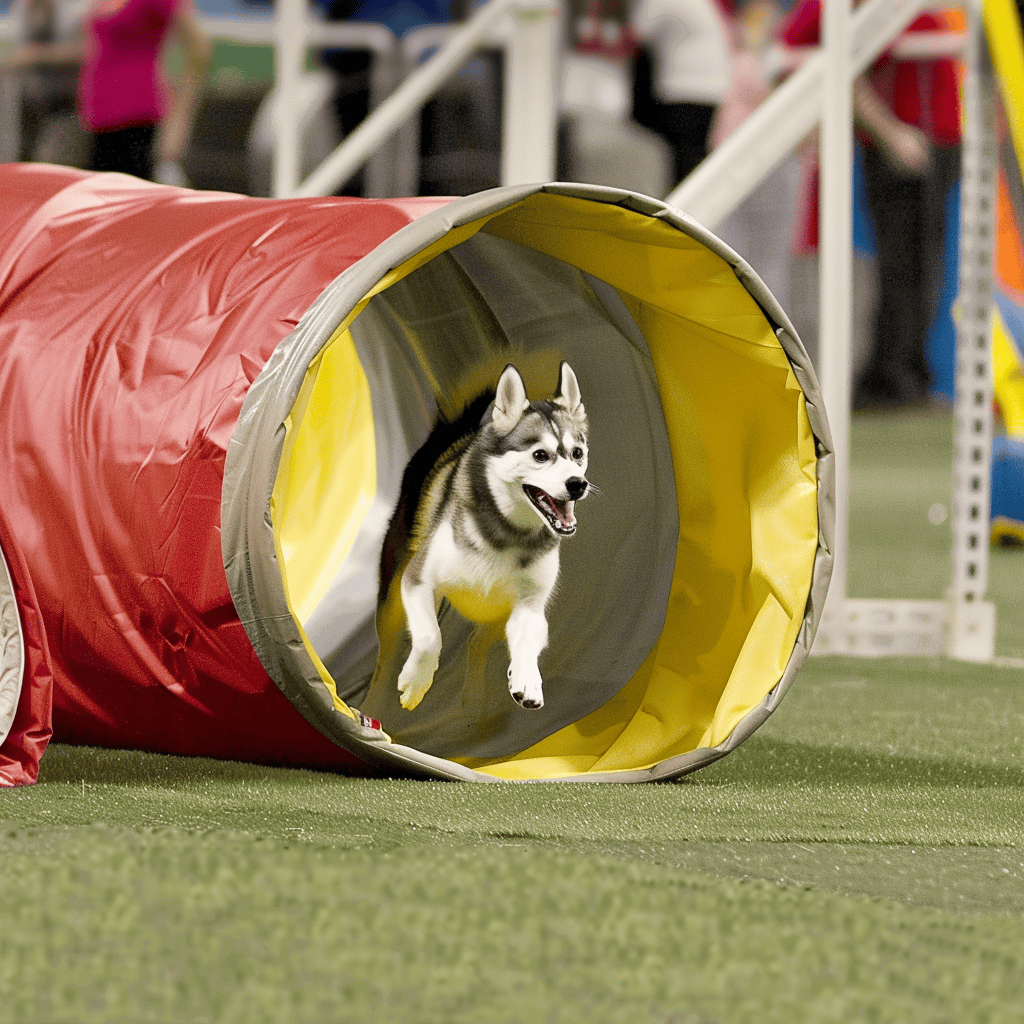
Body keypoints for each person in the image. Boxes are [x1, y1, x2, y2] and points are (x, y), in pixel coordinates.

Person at [781, 0, 962, 410]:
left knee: (920, 270)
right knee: (901, 269)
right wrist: (890, 133)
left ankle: (904, 376)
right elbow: (805, 45)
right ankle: (891, 378)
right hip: (903, 143)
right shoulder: (844, 11)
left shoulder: (909, 12)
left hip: (933, 140)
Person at [7, 0, 210, 184]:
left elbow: (198, 50)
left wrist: (179, 122)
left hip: (135, 118)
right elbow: (93, 48)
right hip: (98, 120)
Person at [630, 0, 733, 183]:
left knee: (684, 159)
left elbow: (637, 32)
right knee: (693, 154)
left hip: (687, 88)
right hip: (710, 86)